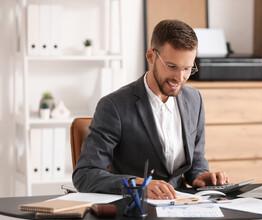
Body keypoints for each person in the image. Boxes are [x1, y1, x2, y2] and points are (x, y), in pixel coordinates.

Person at [72, 19, 230, 200]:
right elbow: (85, 175)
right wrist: (139, 186)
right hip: (137, 212)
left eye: (187, 68)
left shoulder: (194, 100)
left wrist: (200, 176)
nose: (180, 77)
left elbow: (195, 161)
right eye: (172, 66)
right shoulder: (114, 106)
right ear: (151, 57)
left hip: (184, 207)